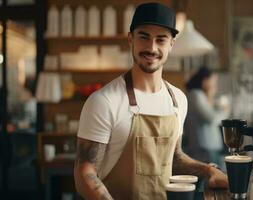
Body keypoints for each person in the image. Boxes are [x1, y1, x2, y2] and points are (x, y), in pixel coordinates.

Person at [74, 3, 228, 200]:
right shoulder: (103, 102)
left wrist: (208, 170)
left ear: (171, 43)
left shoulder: (178, 100)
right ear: (131, 39)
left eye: (161, 39)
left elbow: (175, 156)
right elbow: (84, 173)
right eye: (144, 37)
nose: (152, 47)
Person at [183, 66, 230, 168]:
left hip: (208, 148)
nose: (215, 85)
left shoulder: (200, 95)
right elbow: (211, 118)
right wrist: (225, 111)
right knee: (209, 180)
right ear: (205, 81)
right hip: (205, 148)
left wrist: (210, 96)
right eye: (213, 81)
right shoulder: (196, 95)